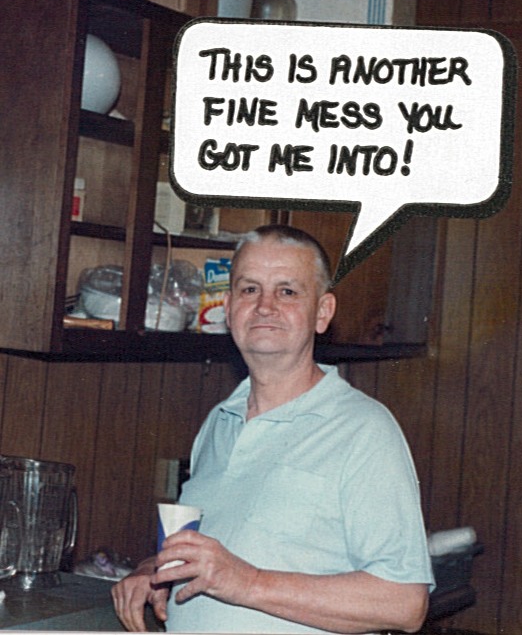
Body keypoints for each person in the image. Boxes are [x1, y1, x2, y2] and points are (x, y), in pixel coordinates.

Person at [112, 224, 434, 633]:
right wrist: (153, 571)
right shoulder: (219, 422)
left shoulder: (363, 430)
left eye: (287, 291)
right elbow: (230, 547)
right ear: (229, 308)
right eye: (250, 289)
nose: (265, 306)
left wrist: (247, 582)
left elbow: (404, 602)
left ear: (322, 312)